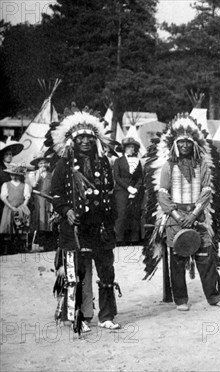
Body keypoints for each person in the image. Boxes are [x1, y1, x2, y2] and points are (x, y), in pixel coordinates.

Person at [49, 109, 121, 330]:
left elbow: (109, 190)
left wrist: (110, 219)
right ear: (73, 140)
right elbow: (57, 194)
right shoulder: (63, 165)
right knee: (78, 273)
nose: (85, 141)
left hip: (100, 227)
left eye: (89, 137)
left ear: (95, 139)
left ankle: (107, 315)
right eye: (80, 138)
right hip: (76, 228)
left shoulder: (103, 163)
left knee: (106, 271)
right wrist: (66, 210)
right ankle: (79, 315)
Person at [152, 114, 220, 311]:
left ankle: (213, 297)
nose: (185, 145)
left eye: (188, 142)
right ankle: (180, 300)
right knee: (177, 259)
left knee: (205, 256)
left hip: (198, 216)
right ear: (175, 145)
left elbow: (206, 190)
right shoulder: (168, 166)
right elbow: (162, 194)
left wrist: (194, 214)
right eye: (182, 142)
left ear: (194, 144)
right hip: (175, 217)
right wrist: (178, 215)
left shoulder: (202, 165)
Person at [113, 137, 144, 245]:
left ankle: (134, 239)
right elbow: (117, 177)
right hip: (121, 190)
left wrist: (136, 188)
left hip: (135, 190)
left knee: (134, 214)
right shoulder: (118, 161)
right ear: (124, 149)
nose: (132, 149)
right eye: (129, 147)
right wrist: (128, 188)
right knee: (121, 214)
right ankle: (119, 239)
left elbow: (140, 177)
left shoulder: (137, 161)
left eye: (133, 147)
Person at [0, 164, 31, 252]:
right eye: (11, 174)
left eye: (15, 174)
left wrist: (23, 207)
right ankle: (9, 248)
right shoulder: (6, 184)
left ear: (19, 175)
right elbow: (3, 197)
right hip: (9, 208)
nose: (13, 176)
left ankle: (20, 247)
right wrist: (11, 207)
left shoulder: (24, 185)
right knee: (9, 228)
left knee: (20, 227)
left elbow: (27, 197)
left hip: (20, 209)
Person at [30, 153, 56, 251]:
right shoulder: (33, 174)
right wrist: (38, 173)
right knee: (39, 221)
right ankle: (38, 244)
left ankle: (48, 245)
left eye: (45, 163)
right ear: (37, 165)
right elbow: (33, 186)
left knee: (48, 221)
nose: (43, 165)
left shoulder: (51, 174)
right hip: (38, 199)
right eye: (41, 163)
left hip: (48, 199)